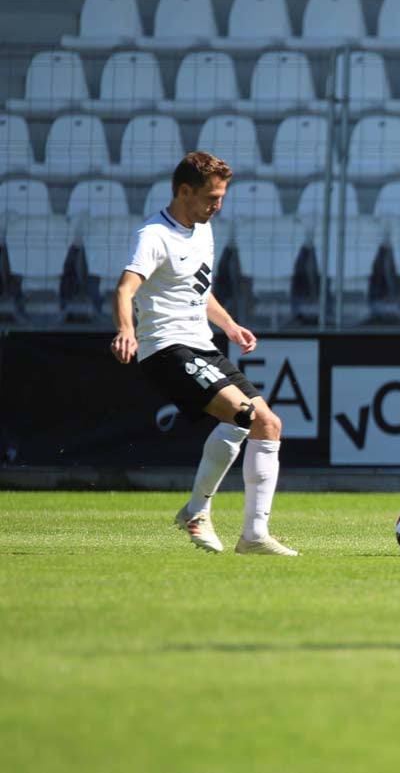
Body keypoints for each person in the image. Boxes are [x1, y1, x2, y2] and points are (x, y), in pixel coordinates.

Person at [110, 151, 298, 556]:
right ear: (184, 191)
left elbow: (198, 290)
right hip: (167, 348)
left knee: (268, 424)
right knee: (244, 416)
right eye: (212, 197)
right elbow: (125, 289)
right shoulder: (154, 236)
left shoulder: (202, 230)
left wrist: (228, 325)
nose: (218, 205)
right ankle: (197, 511)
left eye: (221, 197)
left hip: (202, 345)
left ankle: (253, 536)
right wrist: (127, 329)